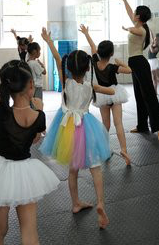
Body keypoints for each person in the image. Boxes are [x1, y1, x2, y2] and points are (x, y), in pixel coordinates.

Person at [0, 28, 59, 245]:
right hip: (26, 173)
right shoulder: (38, 115)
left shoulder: (2, 111)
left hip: (0, 173)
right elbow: (35, 138)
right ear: (31, 85)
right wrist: (37, 107)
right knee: (29, 231)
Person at [39, 28, 113, 229]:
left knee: (73, 170)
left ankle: (75, 203)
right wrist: (112, 90)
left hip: (67, 128)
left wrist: (49, 41)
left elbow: (57, 58)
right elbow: (109, 90)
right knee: (95, 166)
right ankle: (100, 202)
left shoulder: (66, 82)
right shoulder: (90, 86)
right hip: (86, 126)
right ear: (88, 68)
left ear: (69, 68)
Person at [79, 24, 132, 166]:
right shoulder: (112, 67)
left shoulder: (95, 62)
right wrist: (121, 63)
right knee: (118, 123)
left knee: (105, 125)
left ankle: (104, 150)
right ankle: (124, 150)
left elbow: (92, 46)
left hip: (102, 94)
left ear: (99, 52)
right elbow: (129, 70)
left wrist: (86, 33)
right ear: (111, 54)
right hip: (114, 94)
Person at [117, 0, 159, 140]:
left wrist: (127, 28)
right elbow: (129, 12)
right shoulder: (137, 24)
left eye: (135, 13)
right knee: (139, 95)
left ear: (138, 17)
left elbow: (134, 30)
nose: (133, 14)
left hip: (140, 62)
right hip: (134, 62)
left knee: (149, 95)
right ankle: (142, 125)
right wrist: (124, 0)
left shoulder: (142, 30)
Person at [148, 32, 159, 102]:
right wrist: (150, 31)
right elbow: (152, 36)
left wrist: (150, 46)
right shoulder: (153, 42)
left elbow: (152, 51)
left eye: (157, 40)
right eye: (155, 39)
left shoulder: (158, 47)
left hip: (155, 62)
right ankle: (155, 92)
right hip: (151, 62)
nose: (155, 40)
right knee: (154, 78)